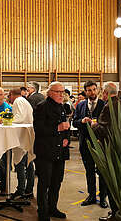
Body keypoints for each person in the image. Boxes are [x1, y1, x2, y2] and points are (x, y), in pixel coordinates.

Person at [91, 82, 121, 221]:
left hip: (110, 149)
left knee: (111, 183)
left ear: (106, 93)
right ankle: (118, 211)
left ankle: (114, 213)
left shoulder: (109, 106)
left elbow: (104, 130)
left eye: (102, 92)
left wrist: (93, 125)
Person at [34, 82, 70, 221]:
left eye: (62, 92)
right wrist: (58, 129)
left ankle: (52, 208)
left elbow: (65, 125)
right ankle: (42, 211)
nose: (61, 95)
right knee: (45, 183)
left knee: (57, 181)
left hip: (60, 151)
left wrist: (66, 138)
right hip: (45, 151)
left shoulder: (61, 107)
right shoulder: (41, 107)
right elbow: (39, 129)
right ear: (49, 92)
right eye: (58, 92)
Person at [72, 81, 107, 208]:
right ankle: (91, 195)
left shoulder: (104, 104)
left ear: (97, 90)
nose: (92, 92)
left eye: (93, 89)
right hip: (85, 143)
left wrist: (97, 123)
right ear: (85, 91)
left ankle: (103, 197)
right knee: (89, 171)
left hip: (100, 143)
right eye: (89, 90)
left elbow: (108, 124)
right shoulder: (80, 105)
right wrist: (82, 120)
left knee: (103, 172)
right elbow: (74, 122)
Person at [8, 88, 35, 199]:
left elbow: (20, 117)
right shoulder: (25, 101)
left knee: (20, 164)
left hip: (21, 137)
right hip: (27, 135)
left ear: (12, 94)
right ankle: (29, 189)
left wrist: (7, 120)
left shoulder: (18, 101)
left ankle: (21, 190)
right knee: (28, 164)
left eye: (8, 96)